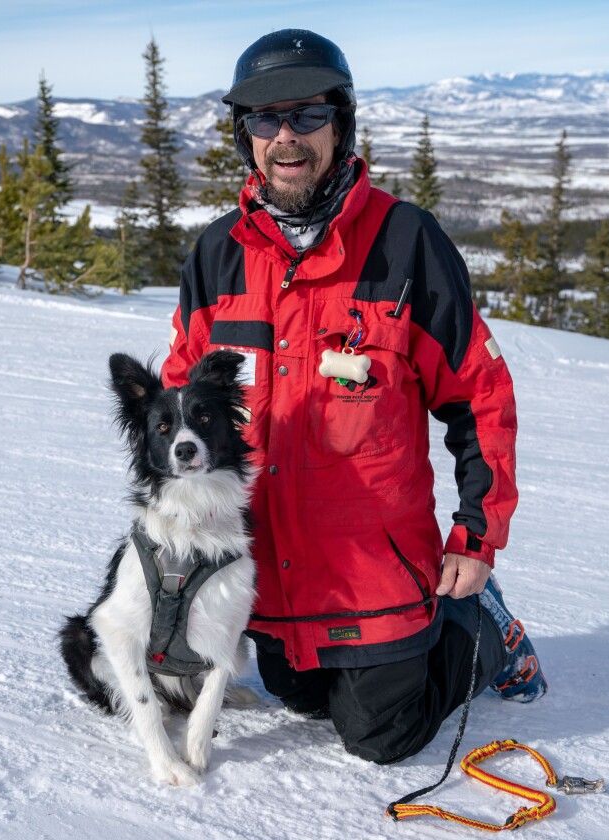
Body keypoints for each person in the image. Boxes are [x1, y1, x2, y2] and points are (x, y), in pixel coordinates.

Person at [160, 29, 546, 766]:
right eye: (265, 121)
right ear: (245, 139)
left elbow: (479, 398)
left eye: (307, 116)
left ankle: (482, 632)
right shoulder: (217, 255)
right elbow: (182, 411)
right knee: (302, 697)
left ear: (341, 124)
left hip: (375, 562)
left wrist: (476, 535)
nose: (286, 138)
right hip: (268, 567)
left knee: (380, 736)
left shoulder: (406, 243)